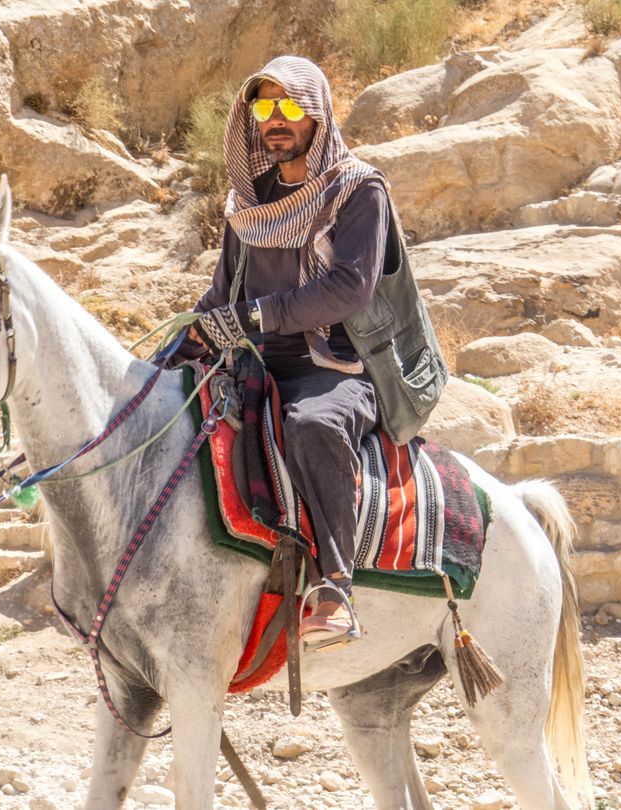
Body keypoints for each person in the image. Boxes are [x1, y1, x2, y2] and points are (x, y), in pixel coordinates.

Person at [185, 55, 418, 650]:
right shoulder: (251, 200)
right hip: (254, 358)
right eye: (263, 105)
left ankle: (336, 586)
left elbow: (350, 288)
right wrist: (195, 331)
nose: (275, 118)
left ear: (315, 112)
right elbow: (224, 290)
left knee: (312, 425)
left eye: (289, 105)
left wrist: (259, 317)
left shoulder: (357, 188)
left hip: (331, 365)